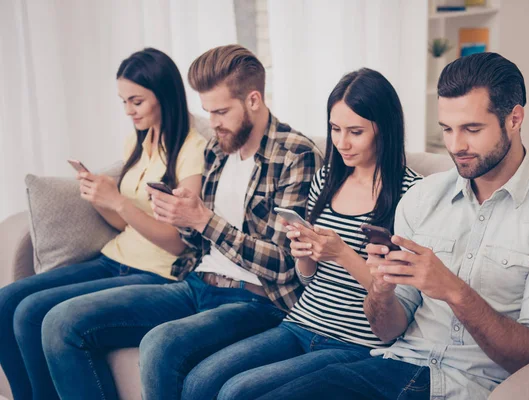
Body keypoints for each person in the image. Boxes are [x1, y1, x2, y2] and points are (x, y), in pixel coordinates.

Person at [250, 52, 529, 400]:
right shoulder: (423, 197)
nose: (455, 145)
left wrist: (453, 290)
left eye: (472, 129)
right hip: (395, 364)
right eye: (447, 129)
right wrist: (381, 292)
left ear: (515, 118)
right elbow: (388, 330)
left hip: (468, 385)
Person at [40, 44, 322, 400]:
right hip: (196, 283)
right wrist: (181, 215)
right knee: (61, 323)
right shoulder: (218, 150)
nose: (213, 123)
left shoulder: (296, 155)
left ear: (254, 99)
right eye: (207, 111)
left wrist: (204, 220)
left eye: (220, 111)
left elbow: (284, 265)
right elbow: (194, 242)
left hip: (255, 301)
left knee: (160, 345)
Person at [174, 67, 422, 400]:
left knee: (236, 392)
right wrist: (304, 255)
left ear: (385, 129)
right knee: (200, 380)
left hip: (356, 342)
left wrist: (343, 254)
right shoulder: (326, 180)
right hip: (301, 322)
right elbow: (308, 279)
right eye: (335, 129)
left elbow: (400, 296)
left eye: (356, 131)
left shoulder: (412, 194)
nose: (342, 143)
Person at [0, 47, 206, 400]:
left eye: (137, 101)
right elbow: (121, 221)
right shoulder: (138, 141)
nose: (129, 110)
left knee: (35, 314)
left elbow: (178, 242)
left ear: (165, 94)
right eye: (123, 101)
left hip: (158, 271)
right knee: (7, 303)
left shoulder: (193, 149)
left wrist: (120, 202)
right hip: (115, 258)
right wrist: (102, 199)